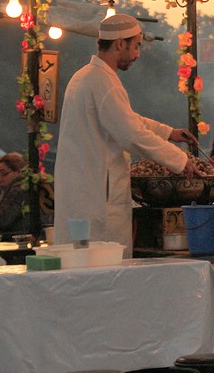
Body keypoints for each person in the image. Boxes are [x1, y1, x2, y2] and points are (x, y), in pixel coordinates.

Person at [53, 13, 199, 249]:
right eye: (137, 46)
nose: (138, 54)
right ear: (120, 43)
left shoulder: (84, 77)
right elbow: (130, 134)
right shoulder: (102, 81)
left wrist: (168, 132)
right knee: (102, 269)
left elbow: (126, 120)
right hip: (99, 197)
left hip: (82, 192)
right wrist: (180, 161)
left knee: (79, 264)